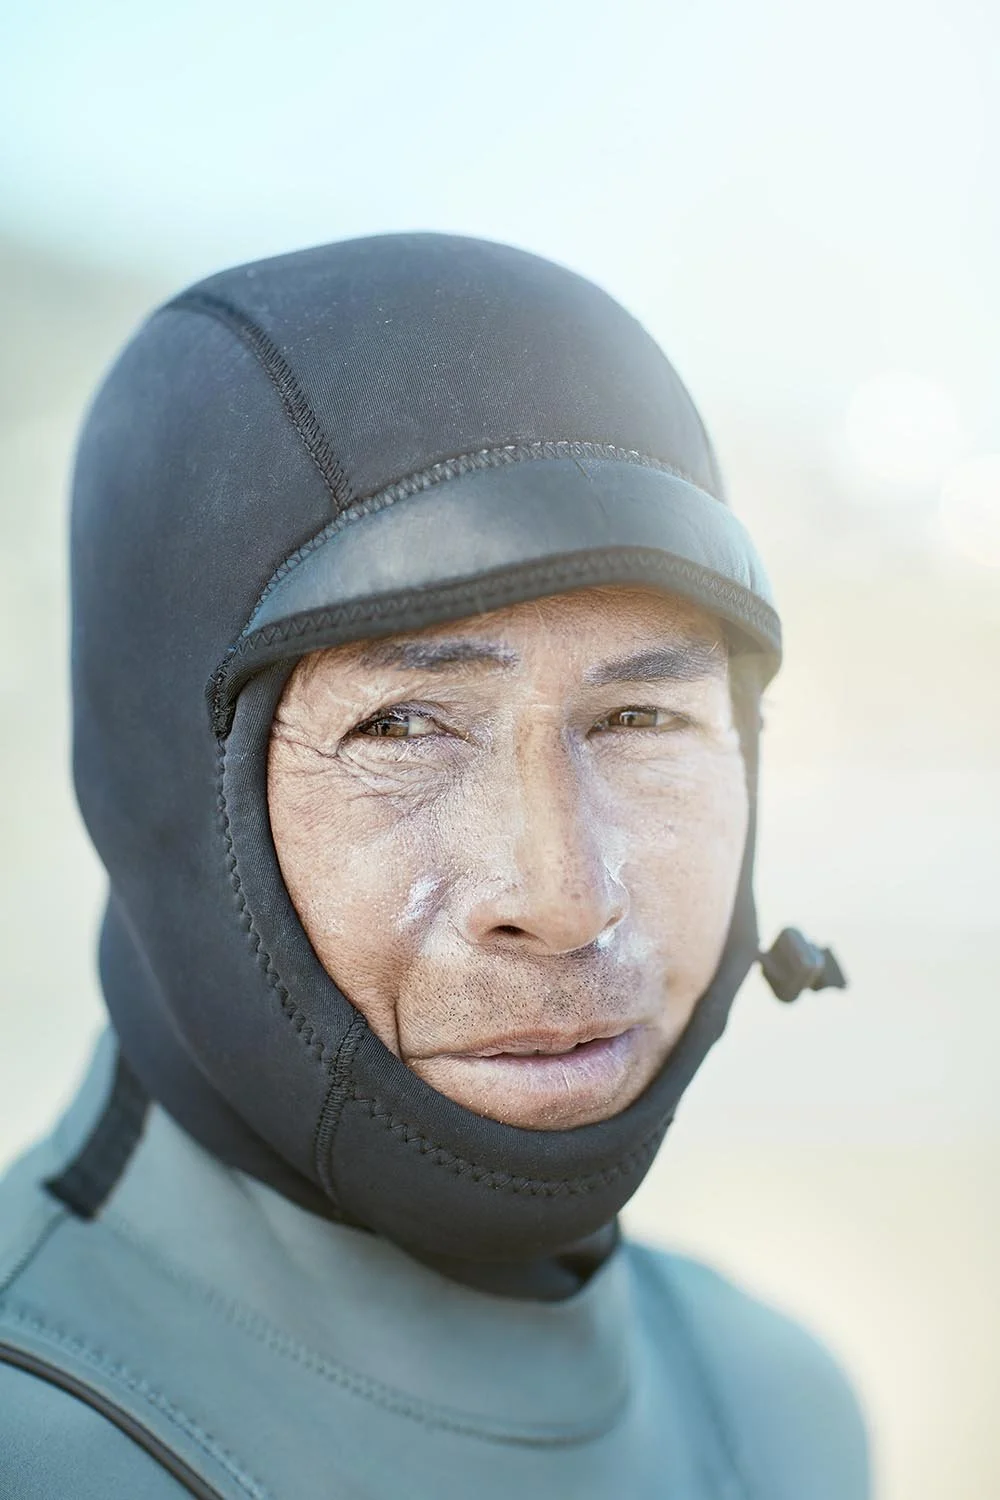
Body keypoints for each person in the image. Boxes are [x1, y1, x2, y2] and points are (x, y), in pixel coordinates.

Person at [0, 233, 866, 1498]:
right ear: (167, 801)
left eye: (640, 720)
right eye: (399, 728)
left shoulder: (780, 1407)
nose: (566, 898)